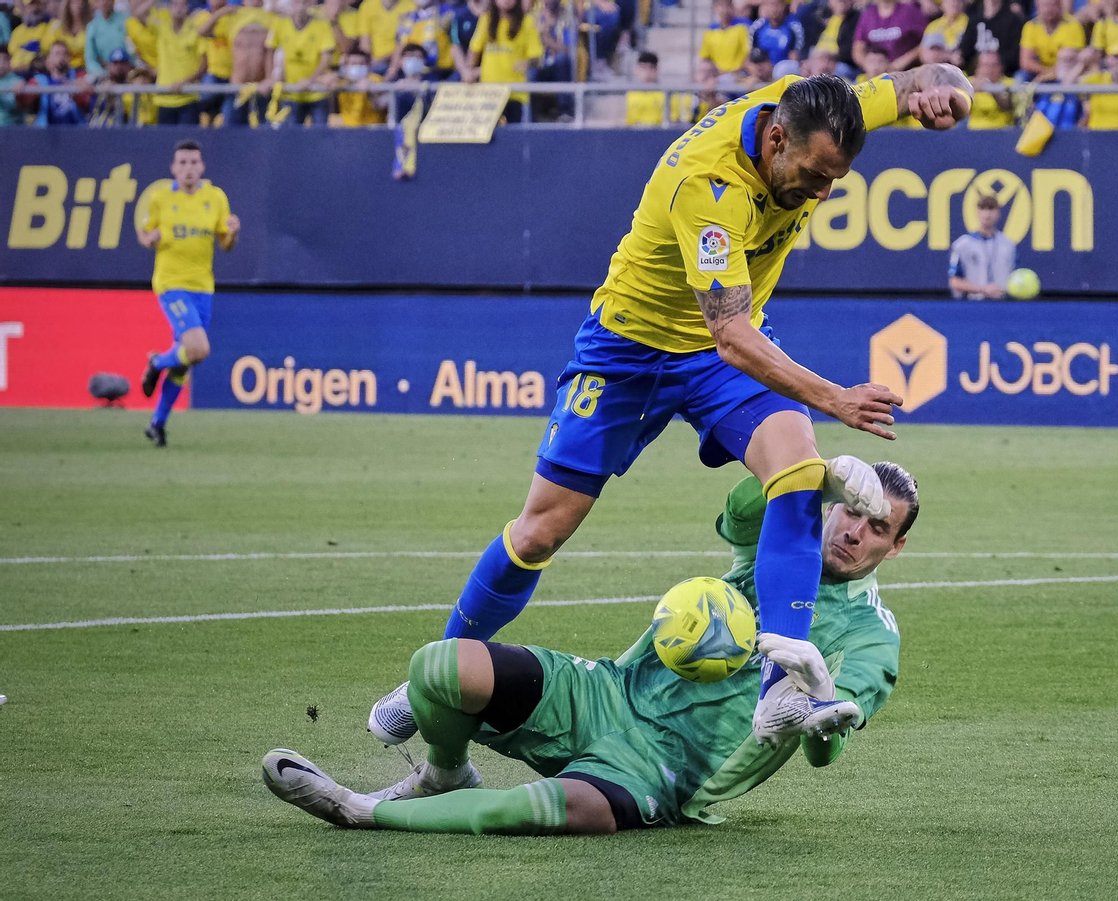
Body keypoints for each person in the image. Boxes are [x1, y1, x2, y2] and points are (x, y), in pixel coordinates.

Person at [365, 67, 971, 752]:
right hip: (632, 349)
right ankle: (440, 668)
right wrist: (835, 397)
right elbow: (733, 337)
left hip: (716, 356)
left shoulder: (822, 112)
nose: (823, 191)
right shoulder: (708, 188)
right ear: (776, 140)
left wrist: (944, 90)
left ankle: (781, 684)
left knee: (798, 470)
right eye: (814, 174)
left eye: (836, 178)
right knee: (538, 532)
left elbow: (934, 77)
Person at [271, 465, 917, 834]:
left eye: (878, 526)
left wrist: (822, 700)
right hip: (603, 693)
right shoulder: (781, 547)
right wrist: (814, 472)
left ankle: (360, 810)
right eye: (851, 511)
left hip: (662, 773)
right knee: (437, 666)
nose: (856, 530)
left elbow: (828, 748)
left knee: (535, 808)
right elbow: (740, 507)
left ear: (896, 546)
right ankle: (443, 771)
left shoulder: (872, 636)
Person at [136, 141, 240, 448]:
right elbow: (145, 235)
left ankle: (157, 424)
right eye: (182, 163)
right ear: (173, 168)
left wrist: (232, 232)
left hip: (203, 287)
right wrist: (149, 239)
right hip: (171, 283)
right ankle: (156, 363)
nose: (188, 168)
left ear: (202, 167)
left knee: (185, 361)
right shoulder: (160, 198)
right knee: (199, 349)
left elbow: (226, 245)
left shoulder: (216, 197)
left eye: (194, 162)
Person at [198, 0, 278, 126]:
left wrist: (269, 78)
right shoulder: (233, 16)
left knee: (263, 135)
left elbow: (270, 52)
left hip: (261, 88)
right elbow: (202, 32)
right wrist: (222, 12)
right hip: (237, 87)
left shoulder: (272, 17)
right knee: (231, 132)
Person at [127, 0, 206, 125]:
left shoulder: (195, 29)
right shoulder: (162, 28)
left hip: (188, 98)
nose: (178, 9)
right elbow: (137, 14)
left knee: (187, 143)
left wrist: (184, 82)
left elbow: (204, 66)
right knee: (165, 144)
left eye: (182, 4)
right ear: (169, 7)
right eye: (175, 4)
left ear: (187, 8)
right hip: (164, 97)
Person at [269, 0, 337, 125]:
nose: (300, 7)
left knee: (319, 137)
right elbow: (270, 50)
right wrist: (271, 77)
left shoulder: (321, 25)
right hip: (291, 93)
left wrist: (310, 80)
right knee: (290, 138)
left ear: (309, 4)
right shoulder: (280, 23)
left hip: (317, 93)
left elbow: (326, 59)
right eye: (297, 3)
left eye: (304, 3)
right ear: (291, 4)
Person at [948, 194, 1016, 298]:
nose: (987, 214)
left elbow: (1015, 277)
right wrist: (982, 289)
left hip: (1002, 305)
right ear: (977, 212)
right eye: (983, 209)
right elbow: (954, 281)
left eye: (991, 209)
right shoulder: (962, 245)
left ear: (998, 213)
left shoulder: (1008, 245)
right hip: (973, 305)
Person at [624, 49, 695, 125]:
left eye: (650, 68)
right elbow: (629, 122)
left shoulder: (667, 93)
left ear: (656, 70)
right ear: (637, 70)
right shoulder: (631, 94)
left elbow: (673, 120)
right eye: (643, 68)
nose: (647, 72)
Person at [1019, 0, 1085, 81]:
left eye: (1052, 5)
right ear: (1037, 7)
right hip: (1040, 71)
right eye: (1044, 6)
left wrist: (1049, 75)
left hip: (1065, 71)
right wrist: (1046, 72)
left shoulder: (1072, 25)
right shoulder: (1031, 26)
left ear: (1060, 6)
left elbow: (1068, 60)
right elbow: (1026, 62)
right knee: (1020, 77)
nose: (1048, 10)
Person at [29, 40, 92, 124]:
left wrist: (85, 88)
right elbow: (24, 100)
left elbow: (89, 102)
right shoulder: (39, 80)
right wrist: (20, 85)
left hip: (76, 131)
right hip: (47, 133)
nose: (61, 57)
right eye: (57, 53)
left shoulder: (79, 76)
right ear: (48, 60)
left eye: (65, 53)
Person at [854, 0, 926, 71]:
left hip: (905, 71)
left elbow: (926, 41)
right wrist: (871, 66)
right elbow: (858, 49)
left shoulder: (909, 11)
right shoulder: (868, 14)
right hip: (875, 72)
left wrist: (900, 63)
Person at [957, 0, 1022, 74]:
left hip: (1002, 76)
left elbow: (1014, 56)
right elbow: (965, 52)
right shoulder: (974, 20)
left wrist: (993, 61)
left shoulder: (1013, 21)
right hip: (974, 74)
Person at [1080, 49, 1118, 127]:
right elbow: (1071, 86)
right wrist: (1082, 64)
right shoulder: (1096, 79)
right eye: (1115, 57)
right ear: (1107, 60)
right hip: (1097, 133)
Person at [357, 0, 412, 76]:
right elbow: (365, 38)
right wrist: (367, 60)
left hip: (398, 62)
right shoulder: (368, 5)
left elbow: (405, 42)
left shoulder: (411, 6)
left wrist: (384, 60)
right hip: (372, 62)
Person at [333, 45, 385, 123]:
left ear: (368, 65)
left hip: (371, 126)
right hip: (347, 126)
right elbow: (332, 83)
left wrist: (369, 85)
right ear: (347, 66)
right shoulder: (342, 80)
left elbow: (380, 100)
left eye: (361, 64)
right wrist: (352, 79)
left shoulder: (375, 78)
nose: (357, 66)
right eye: (353, 64)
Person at [966, 47, 1016, 126]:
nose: (990, 69)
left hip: (1001, 132)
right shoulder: (969, 83)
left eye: (994, 65)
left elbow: (1007, 107)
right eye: (985, 65)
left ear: (1001, 67)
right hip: (973, 133)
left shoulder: (1009, 83)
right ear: (977, 68)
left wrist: (992, 89)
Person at [699, 0, 752, 75]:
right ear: (715, 8)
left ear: (732, 7)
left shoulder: (742, 28)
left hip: (738, 74)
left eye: (727, 5)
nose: (725, 9)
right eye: (721, 6)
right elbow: (705, 57)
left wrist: (737, 71)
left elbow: (748, 54)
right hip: (718, 75)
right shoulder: (710, 31)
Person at [750, 0, 806, 66]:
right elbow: (750, 54)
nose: (774, 9)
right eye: (771, 5)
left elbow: (795, 56)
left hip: (783, 68)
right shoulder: (758, 26)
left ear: (784, 6)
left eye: (777, 5)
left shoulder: (794, 26)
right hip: (761, 67)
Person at [83, 0, 128, 78]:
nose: (104, 2)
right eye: (100, 0)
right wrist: (103, 74)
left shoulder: (126, 21)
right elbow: (90, 58)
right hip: (103, 74)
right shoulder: (92, 26)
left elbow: (133, 51)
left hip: (127, 70)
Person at [8, 0, 54, 76]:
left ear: (45, 6)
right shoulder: (18, 31)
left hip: (39, 73)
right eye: (31, 5)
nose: (35, 8)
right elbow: (11, 54)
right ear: (25, 8)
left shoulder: (52, 27)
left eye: (39, 5)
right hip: (15, 73)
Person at [46, 0, 89, 69]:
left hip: (85, 68)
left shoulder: (92, 26)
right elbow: (48, 50)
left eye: (81, 1)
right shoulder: (57, 27)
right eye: (74, 2)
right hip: (62, 69)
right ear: (67, 5)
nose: (78, 5)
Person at [0, 48, 25, 125]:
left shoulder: (17, 81)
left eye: (5, 60)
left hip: (11, 130)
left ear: (9, 62)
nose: (1, 63)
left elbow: (14, 105)